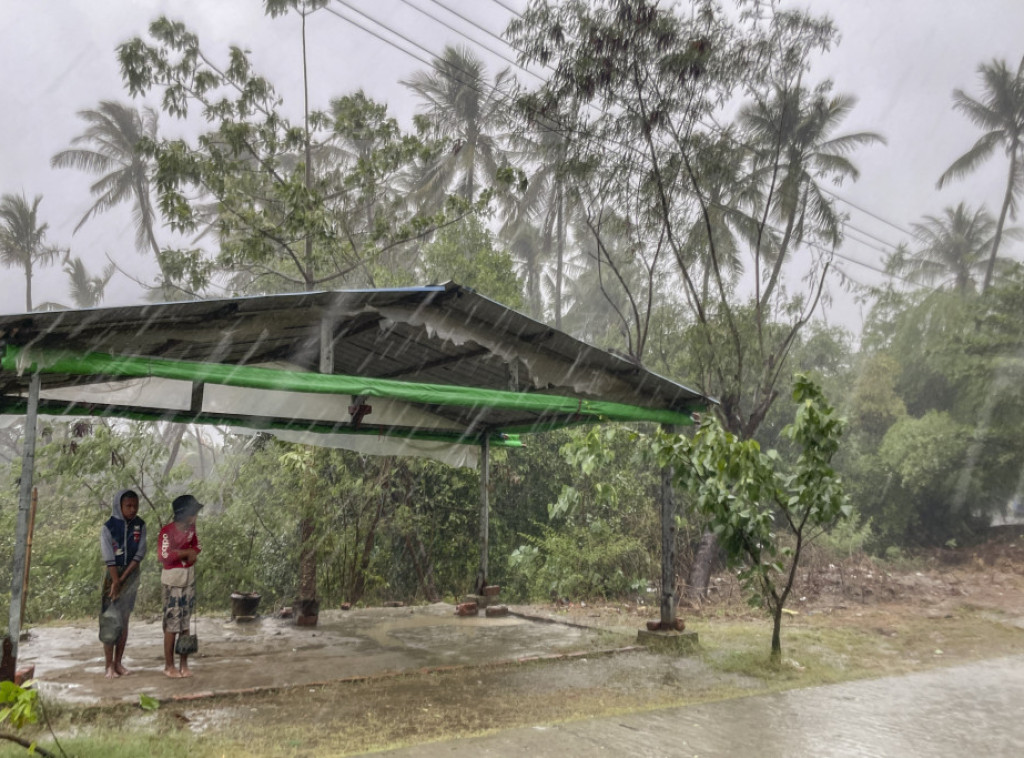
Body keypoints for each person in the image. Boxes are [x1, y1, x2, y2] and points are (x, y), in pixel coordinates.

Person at [99, 488, 146, 679]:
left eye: (135, 505)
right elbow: (108, 556)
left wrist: (124, 579)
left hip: (131, 574)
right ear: (119, 506)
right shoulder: (108, 527)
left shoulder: (140, 525)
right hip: (112, 574)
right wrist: (115, 580)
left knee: (124, 619)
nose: (132, 509)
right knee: (110, 618)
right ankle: (108, 665)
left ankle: (119, 662)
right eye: (128, 506)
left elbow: (140, 553)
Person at [158, 494, 203, 678]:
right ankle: (169, 665)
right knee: (172, 624)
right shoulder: (167, 531)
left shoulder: (191, 528)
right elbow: (164, 556)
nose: (196, 516)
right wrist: (186, 553)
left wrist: (193, 552)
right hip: (173, 582)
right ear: (184, 514)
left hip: (188, 580)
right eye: (194, 513)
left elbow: (196, 546)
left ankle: (184, 663)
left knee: (185, 623)